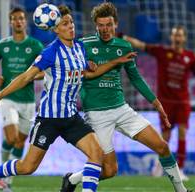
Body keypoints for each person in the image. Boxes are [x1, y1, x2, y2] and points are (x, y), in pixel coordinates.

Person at [0, 5, 135, 192]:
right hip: (49, 118)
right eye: (65, 23)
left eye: (71, 22)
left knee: (96, 154)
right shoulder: (50, 52)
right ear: (55, 28)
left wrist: (94, 64)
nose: (71, 26)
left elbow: (86, 70)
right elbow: (26, 76)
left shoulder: (80, 48)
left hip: (71, 117)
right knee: (27, 167)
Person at [59, 2, 192, 192]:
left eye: (109, 25)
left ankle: (182, 190)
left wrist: (156, 103)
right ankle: (73, 179)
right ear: (96, 25)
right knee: (110, 170)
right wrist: (82, 64)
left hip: (122, 110)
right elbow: (68, 66)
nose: (105, 30)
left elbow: (135, 77)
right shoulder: (82, 46)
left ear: (116, 24)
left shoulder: (123, 46)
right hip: (97, 114)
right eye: (101, 25)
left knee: (162, 147)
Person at [124, 25, 195, 181]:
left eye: (180, 35)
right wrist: (125, 38)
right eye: (175, 35)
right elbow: (142, 45)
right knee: (165, 136)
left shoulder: (190, 57)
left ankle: (181, 169)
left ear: (184, 38)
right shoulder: (162, 52)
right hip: (166, 102)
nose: (177, 38)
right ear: (171, 37)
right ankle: (159, 166)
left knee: (182, 132)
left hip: (182, 102)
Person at [0, 7, 44, 191]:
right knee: (11, 138)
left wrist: (31, 76)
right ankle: (2, 176)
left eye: (21, 18)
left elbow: (45, 70)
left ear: (25, 21)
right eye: (14, 19)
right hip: (8, 98)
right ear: (11, 22)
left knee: (20, 141)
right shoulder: (2, 45)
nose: (18, 21)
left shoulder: (35, 45)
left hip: (27, 101)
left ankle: (6, 180)